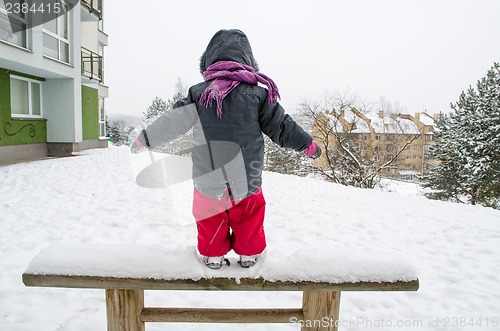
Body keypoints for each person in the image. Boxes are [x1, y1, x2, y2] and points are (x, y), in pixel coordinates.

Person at [132, 29, 321, 269]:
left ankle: (213, 255)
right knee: (248, 215)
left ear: (209, 61)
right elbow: (282, 126)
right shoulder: (259, 94)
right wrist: (308, 144)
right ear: (249, 62)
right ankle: (249, 254)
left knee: (210, 214)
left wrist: (145, 139)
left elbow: (173, 121)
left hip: (207, 172)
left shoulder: (198, 93)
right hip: (247, 174)